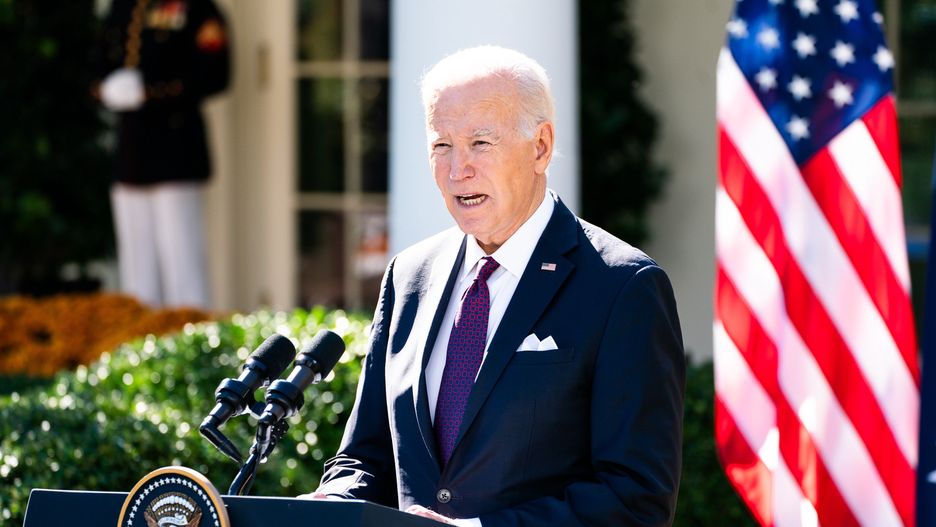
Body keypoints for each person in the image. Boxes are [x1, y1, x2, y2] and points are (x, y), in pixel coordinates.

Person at [309, 46, 685, 526]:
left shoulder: (622, 286)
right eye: (441, 145)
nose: (456, 169)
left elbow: (637, 499)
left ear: (541, 146)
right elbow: (367, 456)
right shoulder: (410, 275)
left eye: (480, 143)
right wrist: (336, 501)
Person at [95, 0, 230, 308]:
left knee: (182, 262)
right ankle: (140, 343)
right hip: (131, 150)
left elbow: (215, 73)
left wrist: (149, 91)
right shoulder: (122, 8)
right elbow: (99, 61)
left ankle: (191, 337)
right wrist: (105, 89)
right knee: (136, 264)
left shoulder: (197, 9)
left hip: (175, 148)